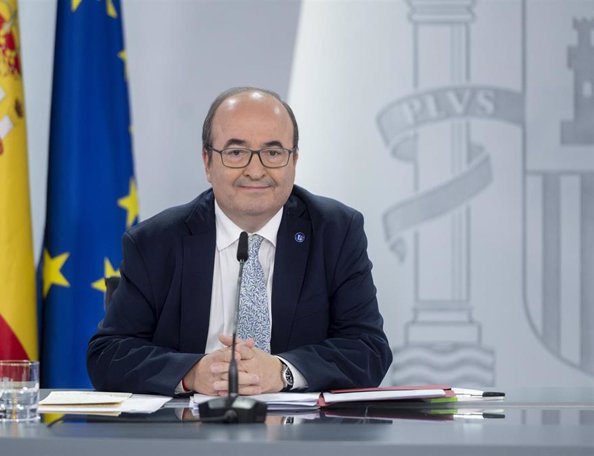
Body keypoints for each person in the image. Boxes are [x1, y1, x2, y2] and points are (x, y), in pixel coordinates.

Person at [87, 87, 392, 396]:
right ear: (207, 162)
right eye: (236, 153)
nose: (256, 170)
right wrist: (192, 373)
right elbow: (109, 355)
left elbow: (368, 350)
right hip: (186, 436)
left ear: (294, 160)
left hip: (302, 438)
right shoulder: (155, 242)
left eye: (273, 153)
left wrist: (283, 371)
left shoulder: (336, 232)